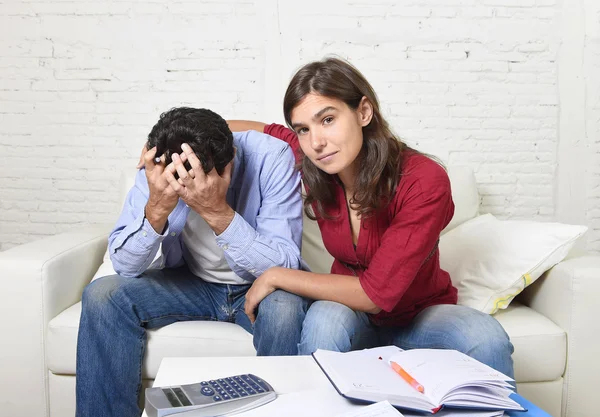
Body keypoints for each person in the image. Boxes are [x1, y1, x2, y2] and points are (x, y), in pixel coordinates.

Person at [230, 57, 515, 378]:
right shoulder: (319, 160)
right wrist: (176, 140)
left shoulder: (423, 180)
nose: (316, 141)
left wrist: (275, 275)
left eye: (327, 120)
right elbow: (269, 132)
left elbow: (375, 295)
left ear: (363, 112)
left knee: (485, 338)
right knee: (324, 323)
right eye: (304, 129)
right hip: (349, 314)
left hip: (420, 316)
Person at [76, 107, 308, 417]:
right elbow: (126, 266)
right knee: (102, 295)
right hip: (192, 283)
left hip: (260, 287)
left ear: (230, 161)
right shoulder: (161, 164)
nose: (189, 186)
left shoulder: (271, 157)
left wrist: (217, 212)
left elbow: (285, 264)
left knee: (286, 308)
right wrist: (156, 209)